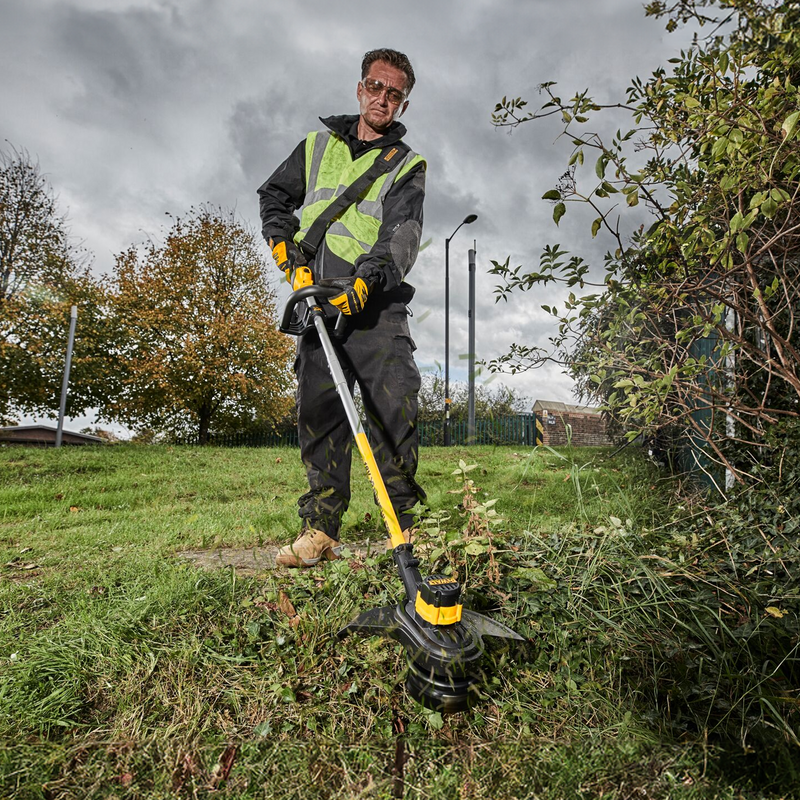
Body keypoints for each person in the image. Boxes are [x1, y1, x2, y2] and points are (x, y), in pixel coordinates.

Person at [257, 48, 427, 567]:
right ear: (360, 88)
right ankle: (321, 531)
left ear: (402, 103)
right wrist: (286, 250)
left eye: (394, 93)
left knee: (392, 408)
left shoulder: (408, 164)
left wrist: (365, 282)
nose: (383, 98)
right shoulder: (315, 146)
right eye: (376, 86)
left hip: (375, 306)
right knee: (321, 413)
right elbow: (273, 198)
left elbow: (402, 236)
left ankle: (404, 528)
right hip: (318, 301)